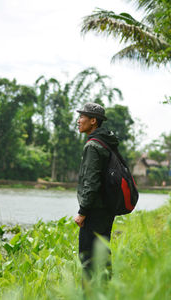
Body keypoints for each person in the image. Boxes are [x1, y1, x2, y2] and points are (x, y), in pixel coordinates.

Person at [74, 102, 119, 278]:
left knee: (87, 258)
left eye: (81, 117)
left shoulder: (93, 146)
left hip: (95, 210)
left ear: (93, 121)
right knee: (102, 254)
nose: (78, 121)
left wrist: (82, 211)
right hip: (107, 207)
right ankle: (107, 292)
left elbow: (91, 182)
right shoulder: (106, 142)